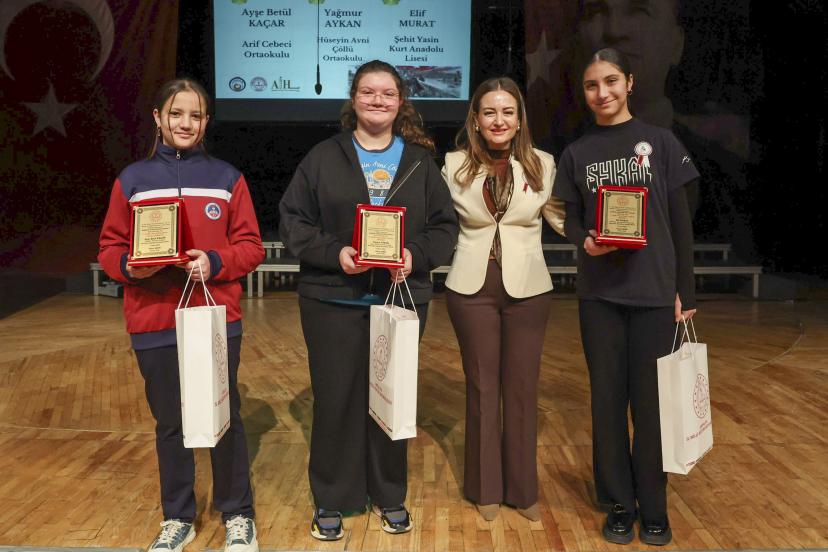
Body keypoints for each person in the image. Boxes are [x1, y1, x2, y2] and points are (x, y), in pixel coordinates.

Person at [278, 60, 458, 542]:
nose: (377, 100)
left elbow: (444, 226)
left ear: (401, 102)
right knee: (335, 400)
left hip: (400, 299)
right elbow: (293, 221)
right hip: (333, 300)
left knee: (391, 399)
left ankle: (389, 493)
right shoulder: (323, 157)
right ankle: (334, 497)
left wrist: (414, 255)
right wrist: (335, 253)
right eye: (368, 91)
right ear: (353, 98)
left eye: (387, 93)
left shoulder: (420, 162)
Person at [98, 78, 263, 552]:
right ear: (158, 118)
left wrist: (215, 262)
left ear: (206, 122)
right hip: (153, 318)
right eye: (175, 113)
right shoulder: (132, 180)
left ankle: (238, 513)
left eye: (195, 115)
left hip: (214, 316)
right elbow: (109, 248)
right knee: (170, 422)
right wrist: (130, 266)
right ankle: (178, 517)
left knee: (224, 416)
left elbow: (251, 246)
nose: (185, 123)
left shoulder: (227, 178)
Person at [552, 48, 698, 546]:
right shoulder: (577, 153)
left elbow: (680, 224)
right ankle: (619, 503)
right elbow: (570, 218)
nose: (603, 93)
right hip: (600, 297)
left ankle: (653, 506)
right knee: (607, 404)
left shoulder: (661, 142)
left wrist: (685, 291)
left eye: (611, 81)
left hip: (654, 294)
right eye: (592, 85)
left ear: (630, 83)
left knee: (652, 407)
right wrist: (585, 240)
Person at [441, 77, 565, 522]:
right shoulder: (453, 164)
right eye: (490, 112)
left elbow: (563, 217)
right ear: (475, 119)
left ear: (519, 119)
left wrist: (608, 232)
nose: (499, 120)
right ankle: (485, 489)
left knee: (522, 388)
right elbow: (437, 221)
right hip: (470, 289)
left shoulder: (542, 164)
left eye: (507, 112)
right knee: (482, 387)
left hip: (529, 290)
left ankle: (523, 491)